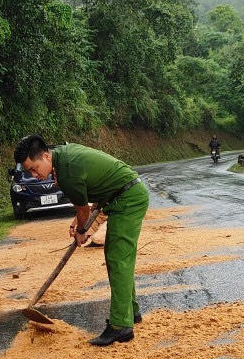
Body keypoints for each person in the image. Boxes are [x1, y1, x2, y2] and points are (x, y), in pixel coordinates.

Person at [14, 135, 148, 346]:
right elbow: (85, 200)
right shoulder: (63, 159)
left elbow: (83, 209)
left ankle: (121, 326)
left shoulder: (67, 170)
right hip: (122, 194)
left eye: (34, 168)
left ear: (46, 156)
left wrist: (81, 231)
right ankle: (131, 312)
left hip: (128, 198)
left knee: (118, 258)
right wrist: (79, 225)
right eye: (29, 171)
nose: (34, 174)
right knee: (117, 257)